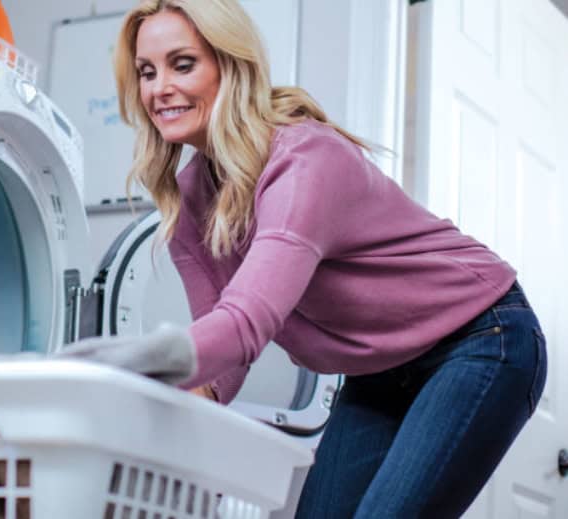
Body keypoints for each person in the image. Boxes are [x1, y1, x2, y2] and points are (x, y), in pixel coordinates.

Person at [57, 1, 548, 517]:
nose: (159, 88)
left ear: (231, 66)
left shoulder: (303, 158)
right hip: (377, 373)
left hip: (481, 338)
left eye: (183, 64)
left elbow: (248, 321)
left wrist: (120, 365)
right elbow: (222, 359)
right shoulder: (189, 203)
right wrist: (180, 462)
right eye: (146, 72)